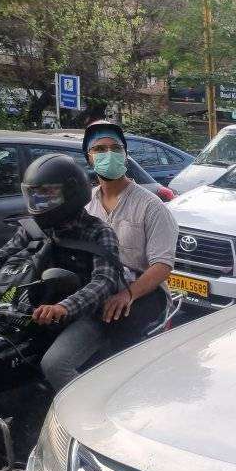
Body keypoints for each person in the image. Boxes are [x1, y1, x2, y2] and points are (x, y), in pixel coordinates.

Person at [0, 153, 126, 391]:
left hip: (90, 314)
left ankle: (87, 418)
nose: (39, 205)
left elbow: (104, 282)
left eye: (47, 197)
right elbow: (1, 254)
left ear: (71, 193)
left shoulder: (98, 232)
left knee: (55, 364)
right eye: (35, 197)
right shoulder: (34, 227)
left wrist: (64, 307)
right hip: (39, 305)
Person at [82, 121, 178, 345]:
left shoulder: (151, 206)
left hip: (143, 291)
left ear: (125, 156)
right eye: (100, 149)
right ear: (89, 158)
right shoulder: (87, 203)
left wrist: (129, 294)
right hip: (99, 285)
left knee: (117, 327)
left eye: (116, 149)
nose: (109, 154)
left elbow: (162, 265)